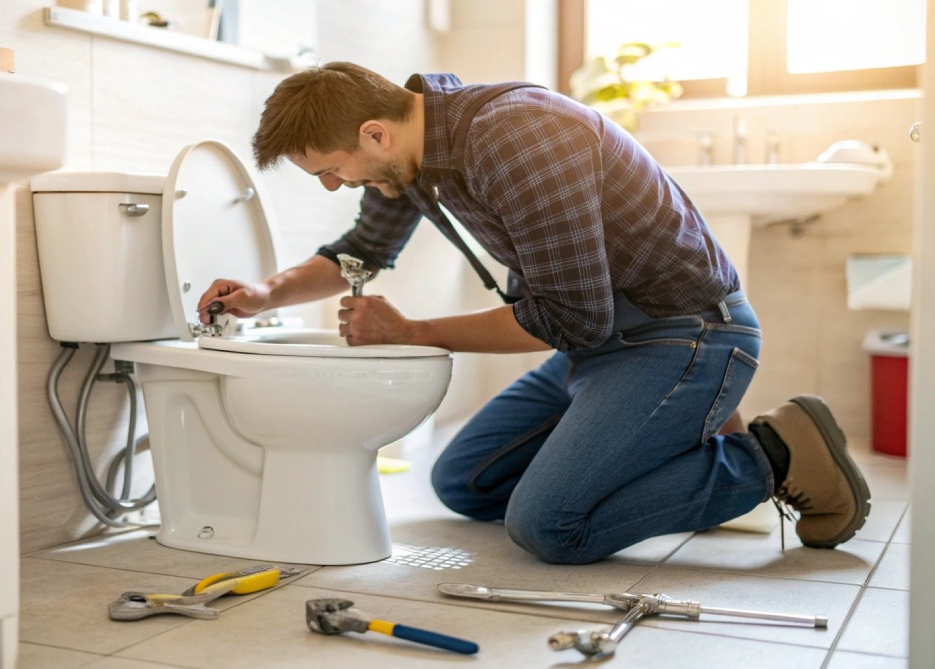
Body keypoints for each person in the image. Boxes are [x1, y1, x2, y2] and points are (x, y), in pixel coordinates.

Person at [196, 61, 872, 564]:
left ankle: (770, 459)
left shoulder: (518, 134)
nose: (336, 185)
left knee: (549, 526)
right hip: (602, 349)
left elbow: (571, 317)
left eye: (331, 170)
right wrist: (265, 293)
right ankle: (667, 448)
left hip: (685, 335)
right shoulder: (412, 157)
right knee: (462, 481)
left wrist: (412, 332)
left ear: (373, 133)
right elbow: (361, 250)